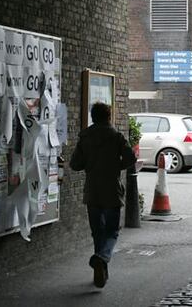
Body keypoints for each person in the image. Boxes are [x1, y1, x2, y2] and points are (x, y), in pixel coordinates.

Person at [70, 102, 136, 288]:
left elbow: (75, 164)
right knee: (112, 231)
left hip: (92, 191)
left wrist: (90, 164)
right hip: (111, 191)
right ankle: (102, 258)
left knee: (97, 232)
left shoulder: (85, 137)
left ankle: (100, 271)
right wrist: (116, 166)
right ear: (108, 116)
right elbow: (131, 158)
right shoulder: (116, 137)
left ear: (93, 117)